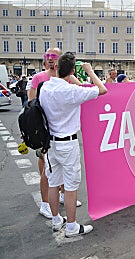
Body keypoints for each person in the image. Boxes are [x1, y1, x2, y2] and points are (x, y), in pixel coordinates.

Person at [39, 52, 107, 237]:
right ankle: (71, 226)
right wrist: (90, 71)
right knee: (70, 186)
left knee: (53, 184)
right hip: (67, 144)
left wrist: (68, 73)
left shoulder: (44, 87)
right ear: (71, 71)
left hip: (50, 142)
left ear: (56, 67)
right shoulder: (70, 91)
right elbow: (102, 90)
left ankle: (55, 220)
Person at [27, 48, 82, 219]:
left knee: (61, 169)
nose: (51, 60)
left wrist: (71, 76)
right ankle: (45, 203)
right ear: (44, 60)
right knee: (48, 172)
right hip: (45, 133)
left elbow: (79, 89)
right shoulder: (39, 78)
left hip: (60, 133)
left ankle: (65, 195)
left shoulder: (65, 79)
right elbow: (31, 105)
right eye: (48, 57)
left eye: (54, 57)